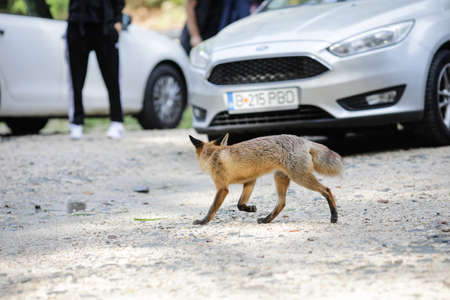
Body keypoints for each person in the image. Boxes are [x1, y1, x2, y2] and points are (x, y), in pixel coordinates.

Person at [66, 0, 125, 140]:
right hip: (77, 25)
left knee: (112, 77)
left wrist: (118, 22)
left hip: (105, 26)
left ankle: (117, 121)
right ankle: (76, 122)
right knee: (76, 79)